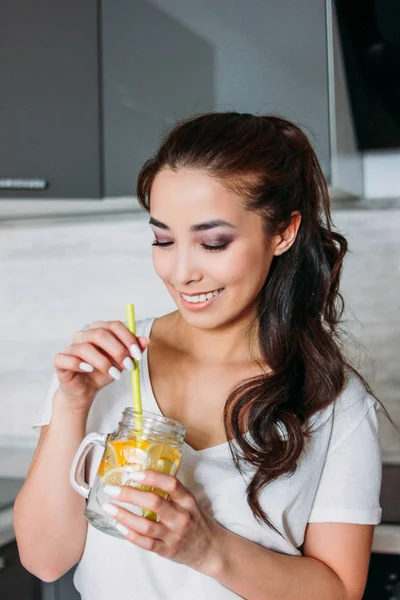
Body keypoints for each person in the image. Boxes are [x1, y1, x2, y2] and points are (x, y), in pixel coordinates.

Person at [13, 112, 382, 600]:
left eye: (213, 242)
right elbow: (44, 559)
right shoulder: (109, 363)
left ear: (283, 233)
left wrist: (208, 549)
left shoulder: (332, 399)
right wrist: (71, 405)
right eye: (163, 239)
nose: (180, 271)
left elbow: (338, 591)